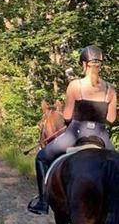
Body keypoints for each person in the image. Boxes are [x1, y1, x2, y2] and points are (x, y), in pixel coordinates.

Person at [28, 45, 117, 214]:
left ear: (84, 64)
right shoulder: (110, 90)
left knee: (41, 157)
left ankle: (43, 201)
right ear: (101, 64)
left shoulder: (75, 86)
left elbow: (67, 116)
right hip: (101, 136)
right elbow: (111, 119)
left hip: (75, 134)